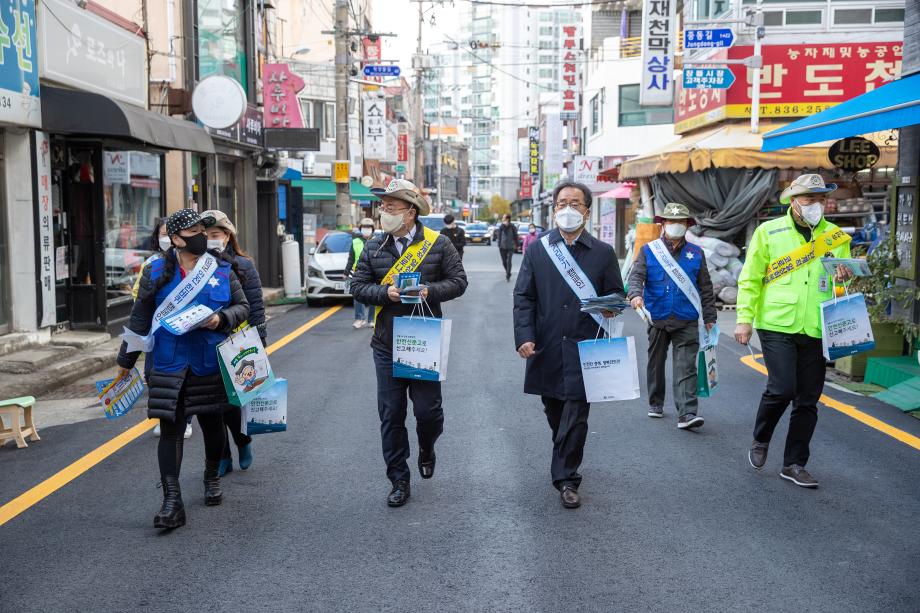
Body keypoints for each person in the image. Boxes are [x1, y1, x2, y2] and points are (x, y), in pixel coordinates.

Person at [116, 209, 249, 530]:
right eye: (194, 231)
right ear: (176, 238)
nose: (202, 236)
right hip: (167, 362)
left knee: (212, 422)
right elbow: (140, 318)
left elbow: (242, 306)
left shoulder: (220, 268)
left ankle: (211, 476)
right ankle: (172, 501)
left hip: (208, 360)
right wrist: (124, 362)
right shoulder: (155, 271)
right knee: (171, 428)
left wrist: (222, 319)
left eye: (204, 230)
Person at [350, 179, 468, 507]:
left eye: (391, 207)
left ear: (410, 213)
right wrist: (382, 293)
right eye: (383, 207)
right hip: (386, 342)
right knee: (391, 414)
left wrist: (430, 290)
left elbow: (459, 282)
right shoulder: (374, 247)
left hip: (423, 338)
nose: (384, 212)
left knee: (428, 412)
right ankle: (399, 479)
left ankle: (427, 447)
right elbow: (357, 286)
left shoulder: (438, 244)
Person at [735, 174, 853, 489]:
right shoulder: (768, 232)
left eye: (820, 198)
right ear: (793, 201)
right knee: (783, 388)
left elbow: (840, 286)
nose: (815, 204)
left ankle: (795, 463)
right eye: (808, 198)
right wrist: (744, 318)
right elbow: (750, 279)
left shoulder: (837, 237)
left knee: (808, 399)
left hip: (816, 325)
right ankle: (761, 438)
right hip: (776, 322)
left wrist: (844, 277)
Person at [513, 181, 625, 509]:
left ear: (587, 212)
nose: (568, 209)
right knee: (555, 410)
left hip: (586, 346)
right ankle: (564, 452)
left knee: (576, 413)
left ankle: (567, 478)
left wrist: (611, 305)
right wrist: (524, 336)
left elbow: (616, 297)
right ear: (553, 210)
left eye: (575, 203)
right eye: (562, 203)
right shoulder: (538, 249)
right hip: (546, 345)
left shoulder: (602, 253)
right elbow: (524, 296)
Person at [627, 203, 717, 429]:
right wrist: (635, 295)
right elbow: (636, 276)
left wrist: (709, 317)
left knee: (686, 366)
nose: (675, 226)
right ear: (663, 224)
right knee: (656, 362)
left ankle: (687, 413)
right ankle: (655, 402)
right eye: (671, 221)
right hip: (657, 316)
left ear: (687, 225)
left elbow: (705, 287)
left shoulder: (696, 254)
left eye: (680, 222)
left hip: (686, 317)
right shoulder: (649, 250)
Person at [201, 209, 266, 477]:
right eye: (204, 235)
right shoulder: (194, 264)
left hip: (236, 344)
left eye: (214, 235)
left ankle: (242, 441)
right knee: (206, 408)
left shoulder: (242, 265)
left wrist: (260, 344)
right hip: (203, 345)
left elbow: (256, 307)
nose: (209, 240)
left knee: (231, 404)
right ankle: (221, 457)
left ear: (227, 236)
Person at [136, 219, 194, 440]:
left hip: (187, 333)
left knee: (188, 378)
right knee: (153, 375)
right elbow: (137, 298)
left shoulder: (198, 265)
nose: (166, 239)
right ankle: (166, 417)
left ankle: (185, 419)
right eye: (163, 234)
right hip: (157, 333)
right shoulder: (151, 265)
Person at [345, 217, 376, 329]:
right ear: (360, 229)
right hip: (358, 272)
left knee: (373, 295)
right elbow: (351, 259)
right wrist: (346, 272)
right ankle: (359, 319)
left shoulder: (377, 241)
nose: (366, 229)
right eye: (364, 227)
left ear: (372, 229)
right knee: (358, 296)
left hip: (374, 273)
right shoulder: (355, 242)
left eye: (368, 228)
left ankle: (372, 319)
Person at [495, 214, 518, 282]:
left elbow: (515, 236)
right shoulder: (501, 227)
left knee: (509, 261)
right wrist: (499, 244)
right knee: (504, 262)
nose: (503, 219)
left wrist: (517, 244)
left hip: (510, 246)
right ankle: (508, 272)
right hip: (502, 247)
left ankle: (508, 274)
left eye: (504, 218)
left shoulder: (512, 227)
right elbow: (499, 236)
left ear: (507, 219)